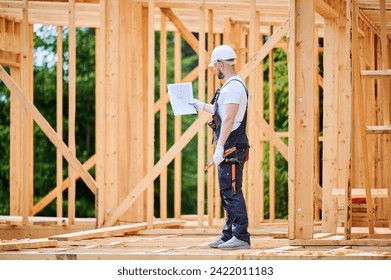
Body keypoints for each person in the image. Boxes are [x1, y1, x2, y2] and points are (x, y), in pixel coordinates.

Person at [190, 45, 251, 250]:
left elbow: (229, 120)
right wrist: (199, 105)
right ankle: (228, 234)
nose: (213, 69)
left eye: (214, 65)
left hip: (232, 148)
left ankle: (240, 236)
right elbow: (221, 113)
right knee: (227, 191)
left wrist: (220, 147)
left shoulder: (234, 87)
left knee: (232, 191)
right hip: (229, 147)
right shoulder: (229, 86)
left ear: (221, 64)